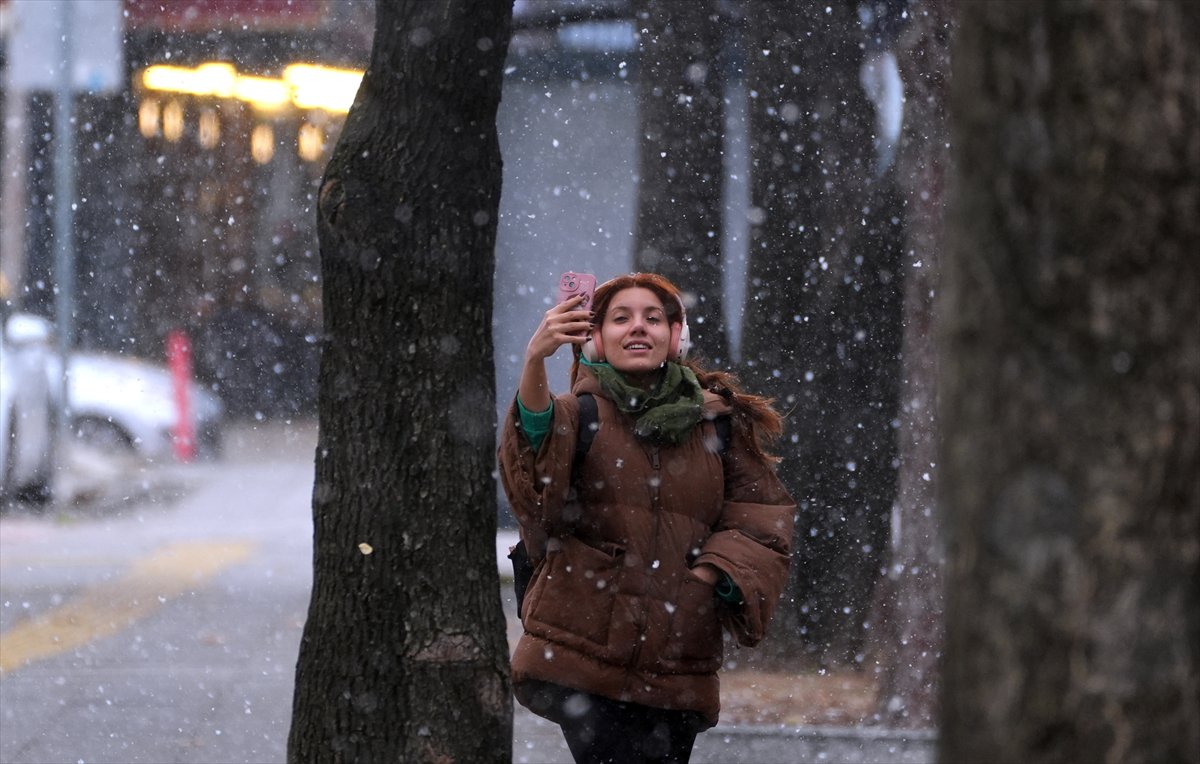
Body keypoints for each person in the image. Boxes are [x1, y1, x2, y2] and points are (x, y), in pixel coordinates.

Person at [498, 273, 795, 763]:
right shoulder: (579, 415)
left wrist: (710, 578)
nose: (637, 328)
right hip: (584, 654)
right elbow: (532, 486)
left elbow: (762, 516)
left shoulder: (716, 423)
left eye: (652, 318)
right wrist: (536, 359)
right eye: (621, 318)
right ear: (595, 337)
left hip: (679, 659)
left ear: (676, 335)